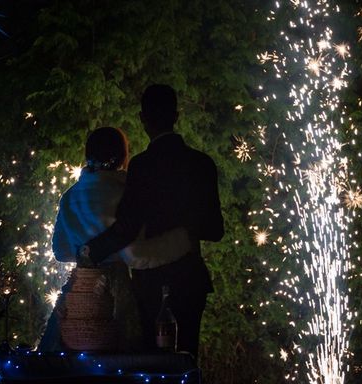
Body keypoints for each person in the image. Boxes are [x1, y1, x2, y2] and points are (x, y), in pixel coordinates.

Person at [78, 84, 224, 359]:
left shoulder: (142, 165)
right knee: (186, 360)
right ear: (176, 115)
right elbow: (215, 230)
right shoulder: (202, 163)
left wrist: (91, 251)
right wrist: (184, 224)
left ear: (143, 118)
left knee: (153, 365)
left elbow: (128, 226)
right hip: (191, 278)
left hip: (151, 282)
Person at [38, 126, 191, 352]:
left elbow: (61, 252)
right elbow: (137, 255)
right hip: (115, 289)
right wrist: (184, 240)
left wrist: (86, 252)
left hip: (79, 289)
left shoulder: (70, 196)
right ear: (122, 155)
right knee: (119, 361)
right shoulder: (125, 193)